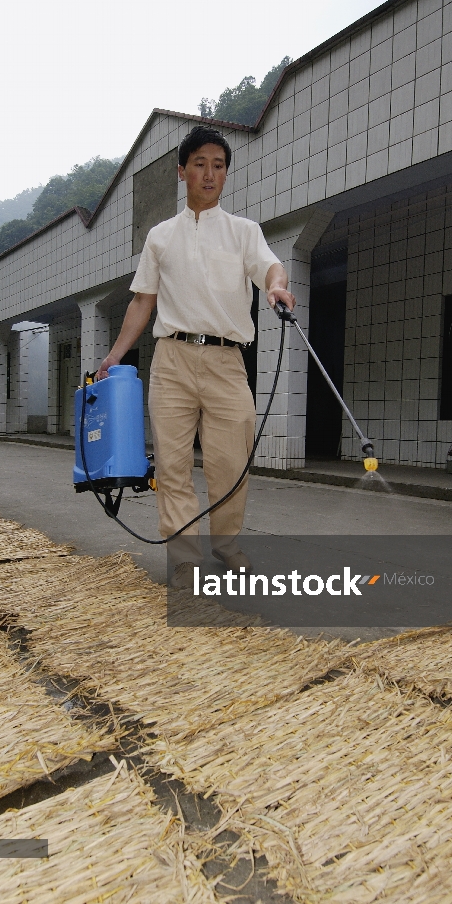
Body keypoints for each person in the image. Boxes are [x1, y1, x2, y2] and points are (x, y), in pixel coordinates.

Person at [97, 126, 295, 587]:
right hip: (172, 361)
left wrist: (276, 285)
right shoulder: (161, 237)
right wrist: (114, 355)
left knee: (232, 463)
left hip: (228, 364)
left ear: (226, 173)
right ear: (182, 171)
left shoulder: (244, 231)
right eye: (201, 164)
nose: (210, 174)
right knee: (173, 465)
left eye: (219, 165)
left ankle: (226, 548)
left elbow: (269, 265)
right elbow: (142, 301)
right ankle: (186, 560)